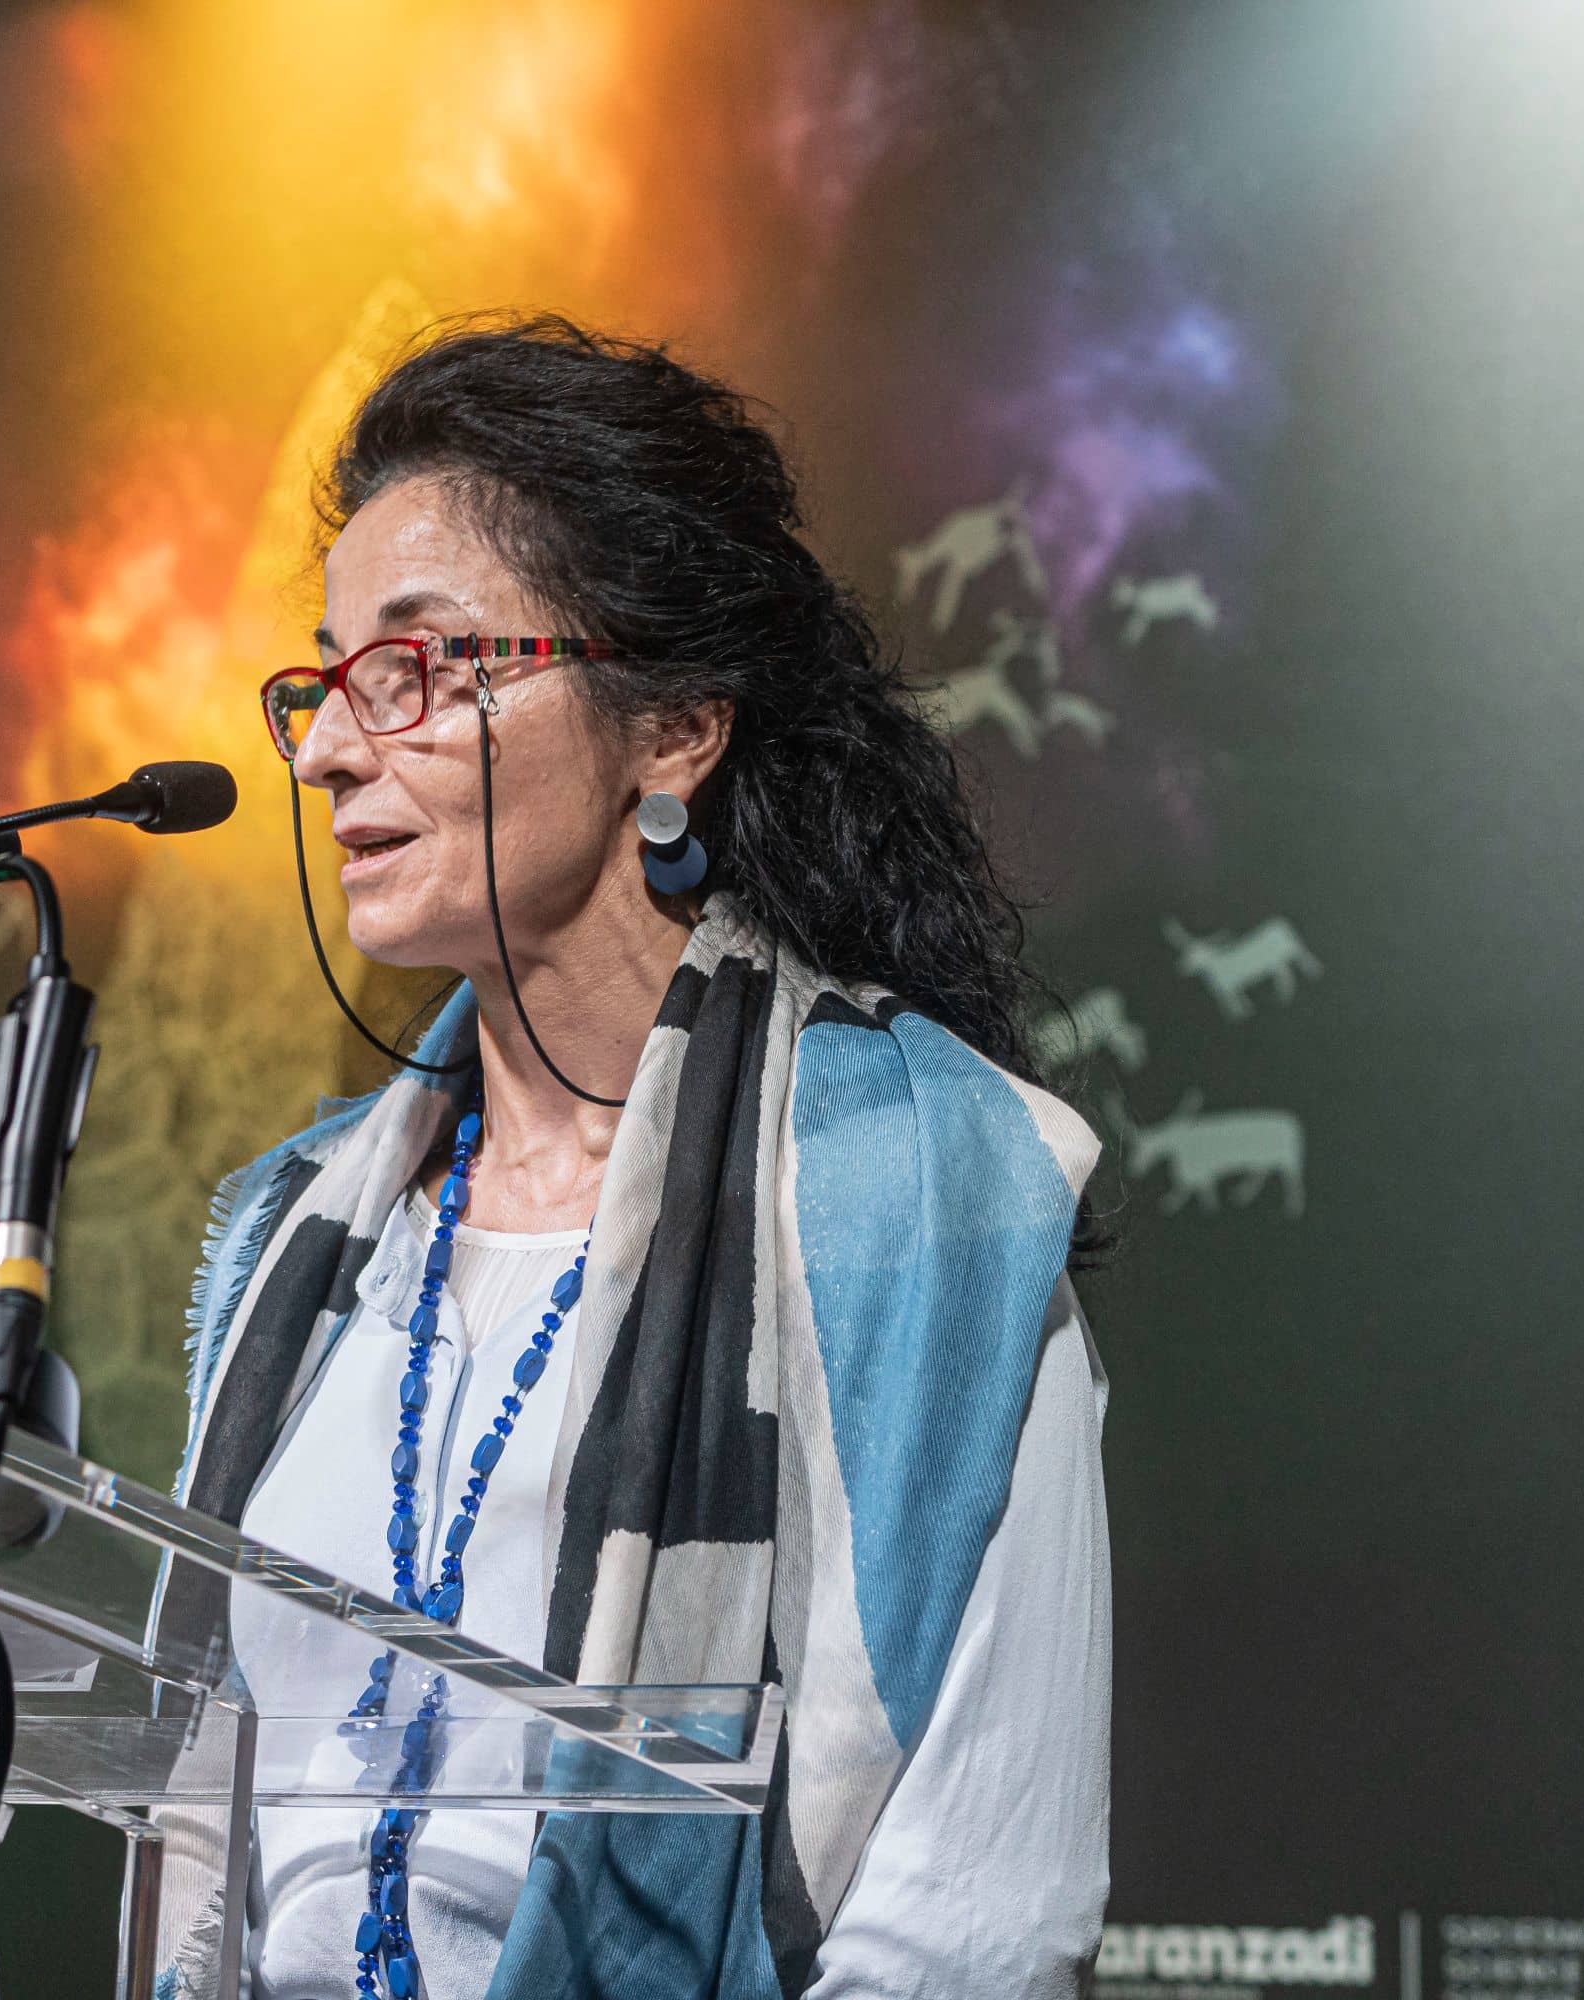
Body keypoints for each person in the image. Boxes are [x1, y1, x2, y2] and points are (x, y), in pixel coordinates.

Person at [172, 315, 1109, 2000]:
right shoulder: (289, 1236)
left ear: (671, 729)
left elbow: (977, 1918)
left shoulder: (920, 1193)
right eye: (319, 679)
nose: (321, 746)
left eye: (419, 664)